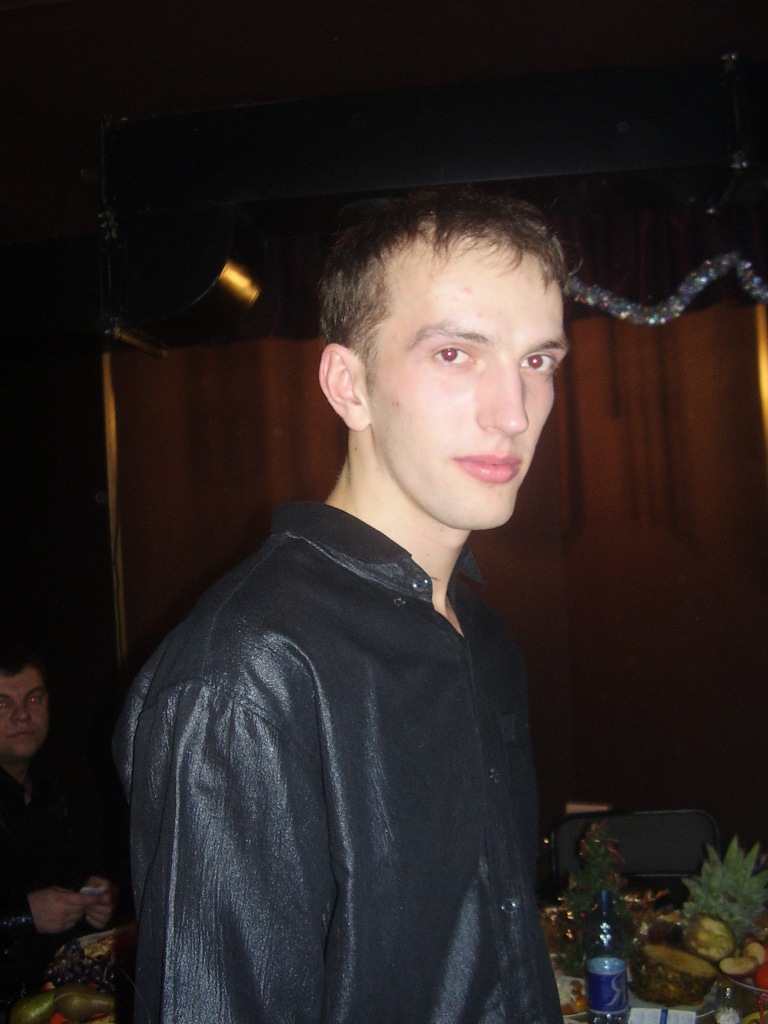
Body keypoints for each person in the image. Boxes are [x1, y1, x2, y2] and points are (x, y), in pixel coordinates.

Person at [113, 186, 570, 1023]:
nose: (514, 413)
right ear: (348, 385)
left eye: (538, 361)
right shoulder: (247, 675)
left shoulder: (484, 638)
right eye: (455, 353)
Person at [0, 645, 117, 1014]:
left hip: (48, 999)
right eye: (2, 704)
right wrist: (26, 914)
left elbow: (64, 879)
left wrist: (93, 899)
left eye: (33, 699)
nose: (23, 714)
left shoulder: (52, 792)